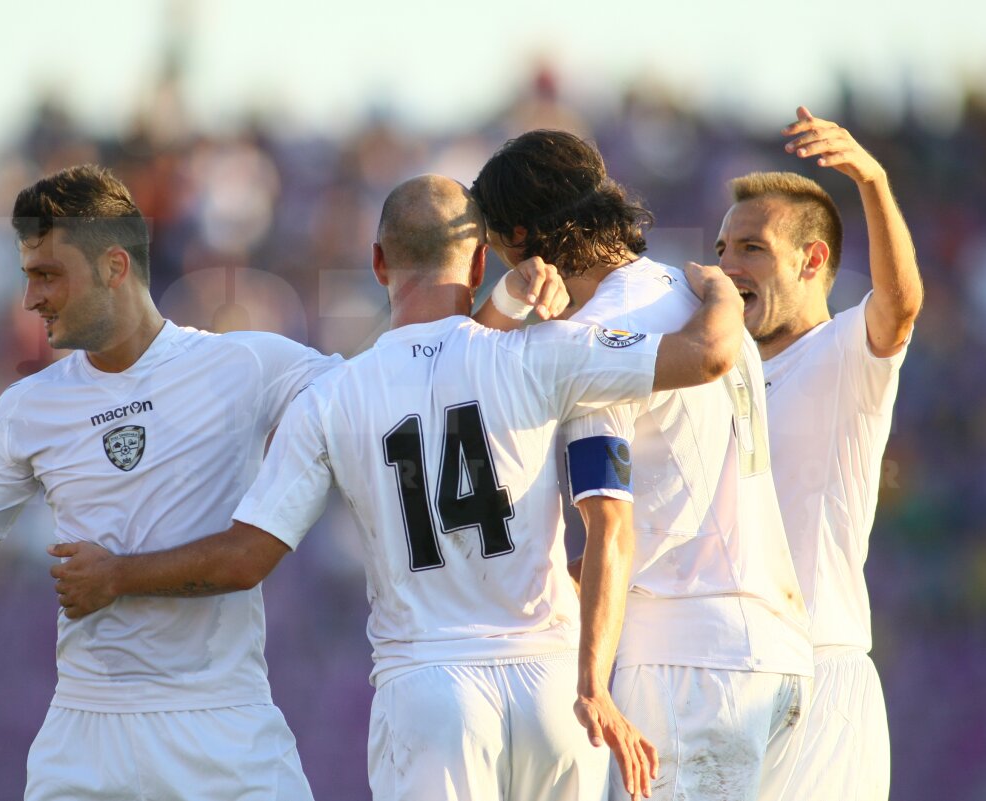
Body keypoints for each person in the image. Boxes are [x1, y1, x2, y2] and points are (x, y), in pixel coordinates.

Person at [48, 173, 746, 801]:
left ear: (379, 261)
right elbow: (706, 355)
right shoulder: (542, 352)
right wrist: (721, 290)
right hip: (552, 689)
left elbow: (244, 557)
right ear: (480, 263)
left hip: (429, 691)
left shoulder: (333, 396)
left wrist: (116, 574)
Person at [0, 164, 345, 800]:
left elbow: (369, 398)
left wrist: (117, 576)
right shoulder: (26, 406)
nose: (30, 299)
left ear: (114, 266)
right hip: (85, 738)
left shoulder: (247, 364)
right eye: (28, 276)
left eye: (47, 275)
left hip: (219, 725)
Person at [472, 130, 814, 801]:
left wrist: (591, 684)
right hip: (777, 655)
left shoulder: (593, 341)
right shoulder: (699, 296)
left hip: (688, 662)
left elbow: (614, 527)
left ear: (519, 239)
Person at [714, 106, 923, 800]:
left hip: (819, 670)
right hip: (730, 672)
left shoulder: (843, 353)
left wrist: (871, 180)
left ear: (812, 260)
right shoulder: (721, 378)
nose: (727, 265)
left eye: (751, 248)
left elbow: (900, 304)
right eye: (722, 247)